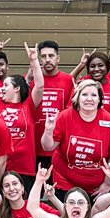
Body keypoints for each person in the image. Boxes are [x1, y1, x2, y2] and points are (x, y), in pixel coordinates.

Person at [42, 80, 110, 196]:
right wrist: (48, 131)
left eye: (94, 95)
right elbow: (48, 147)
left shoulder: (109, 121)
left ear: (99, 99)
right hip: (65, 181)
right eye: (84, 94)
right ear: (77, 97)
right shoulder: (65, 116)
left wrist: (107, 183)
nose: (89, 99)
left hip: (96, 187)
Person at [0, 42, 43, 184]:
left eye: (6, 85)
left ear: (16, 88)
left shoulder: (29, 106)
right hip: (0, 167)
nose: (2, 89)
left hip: (24, 168)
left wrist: (34, 60)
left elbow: (40, 86)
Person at [33, 40, 76, 168]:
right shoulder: (32, 80)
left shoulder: (68, 80)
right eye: (43, 56)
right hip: (34, 147)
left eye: (51, 56)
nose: (47, 60)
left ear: (58, 58)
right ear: (39, 59)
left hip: (58, 146)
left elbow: (70, 113)